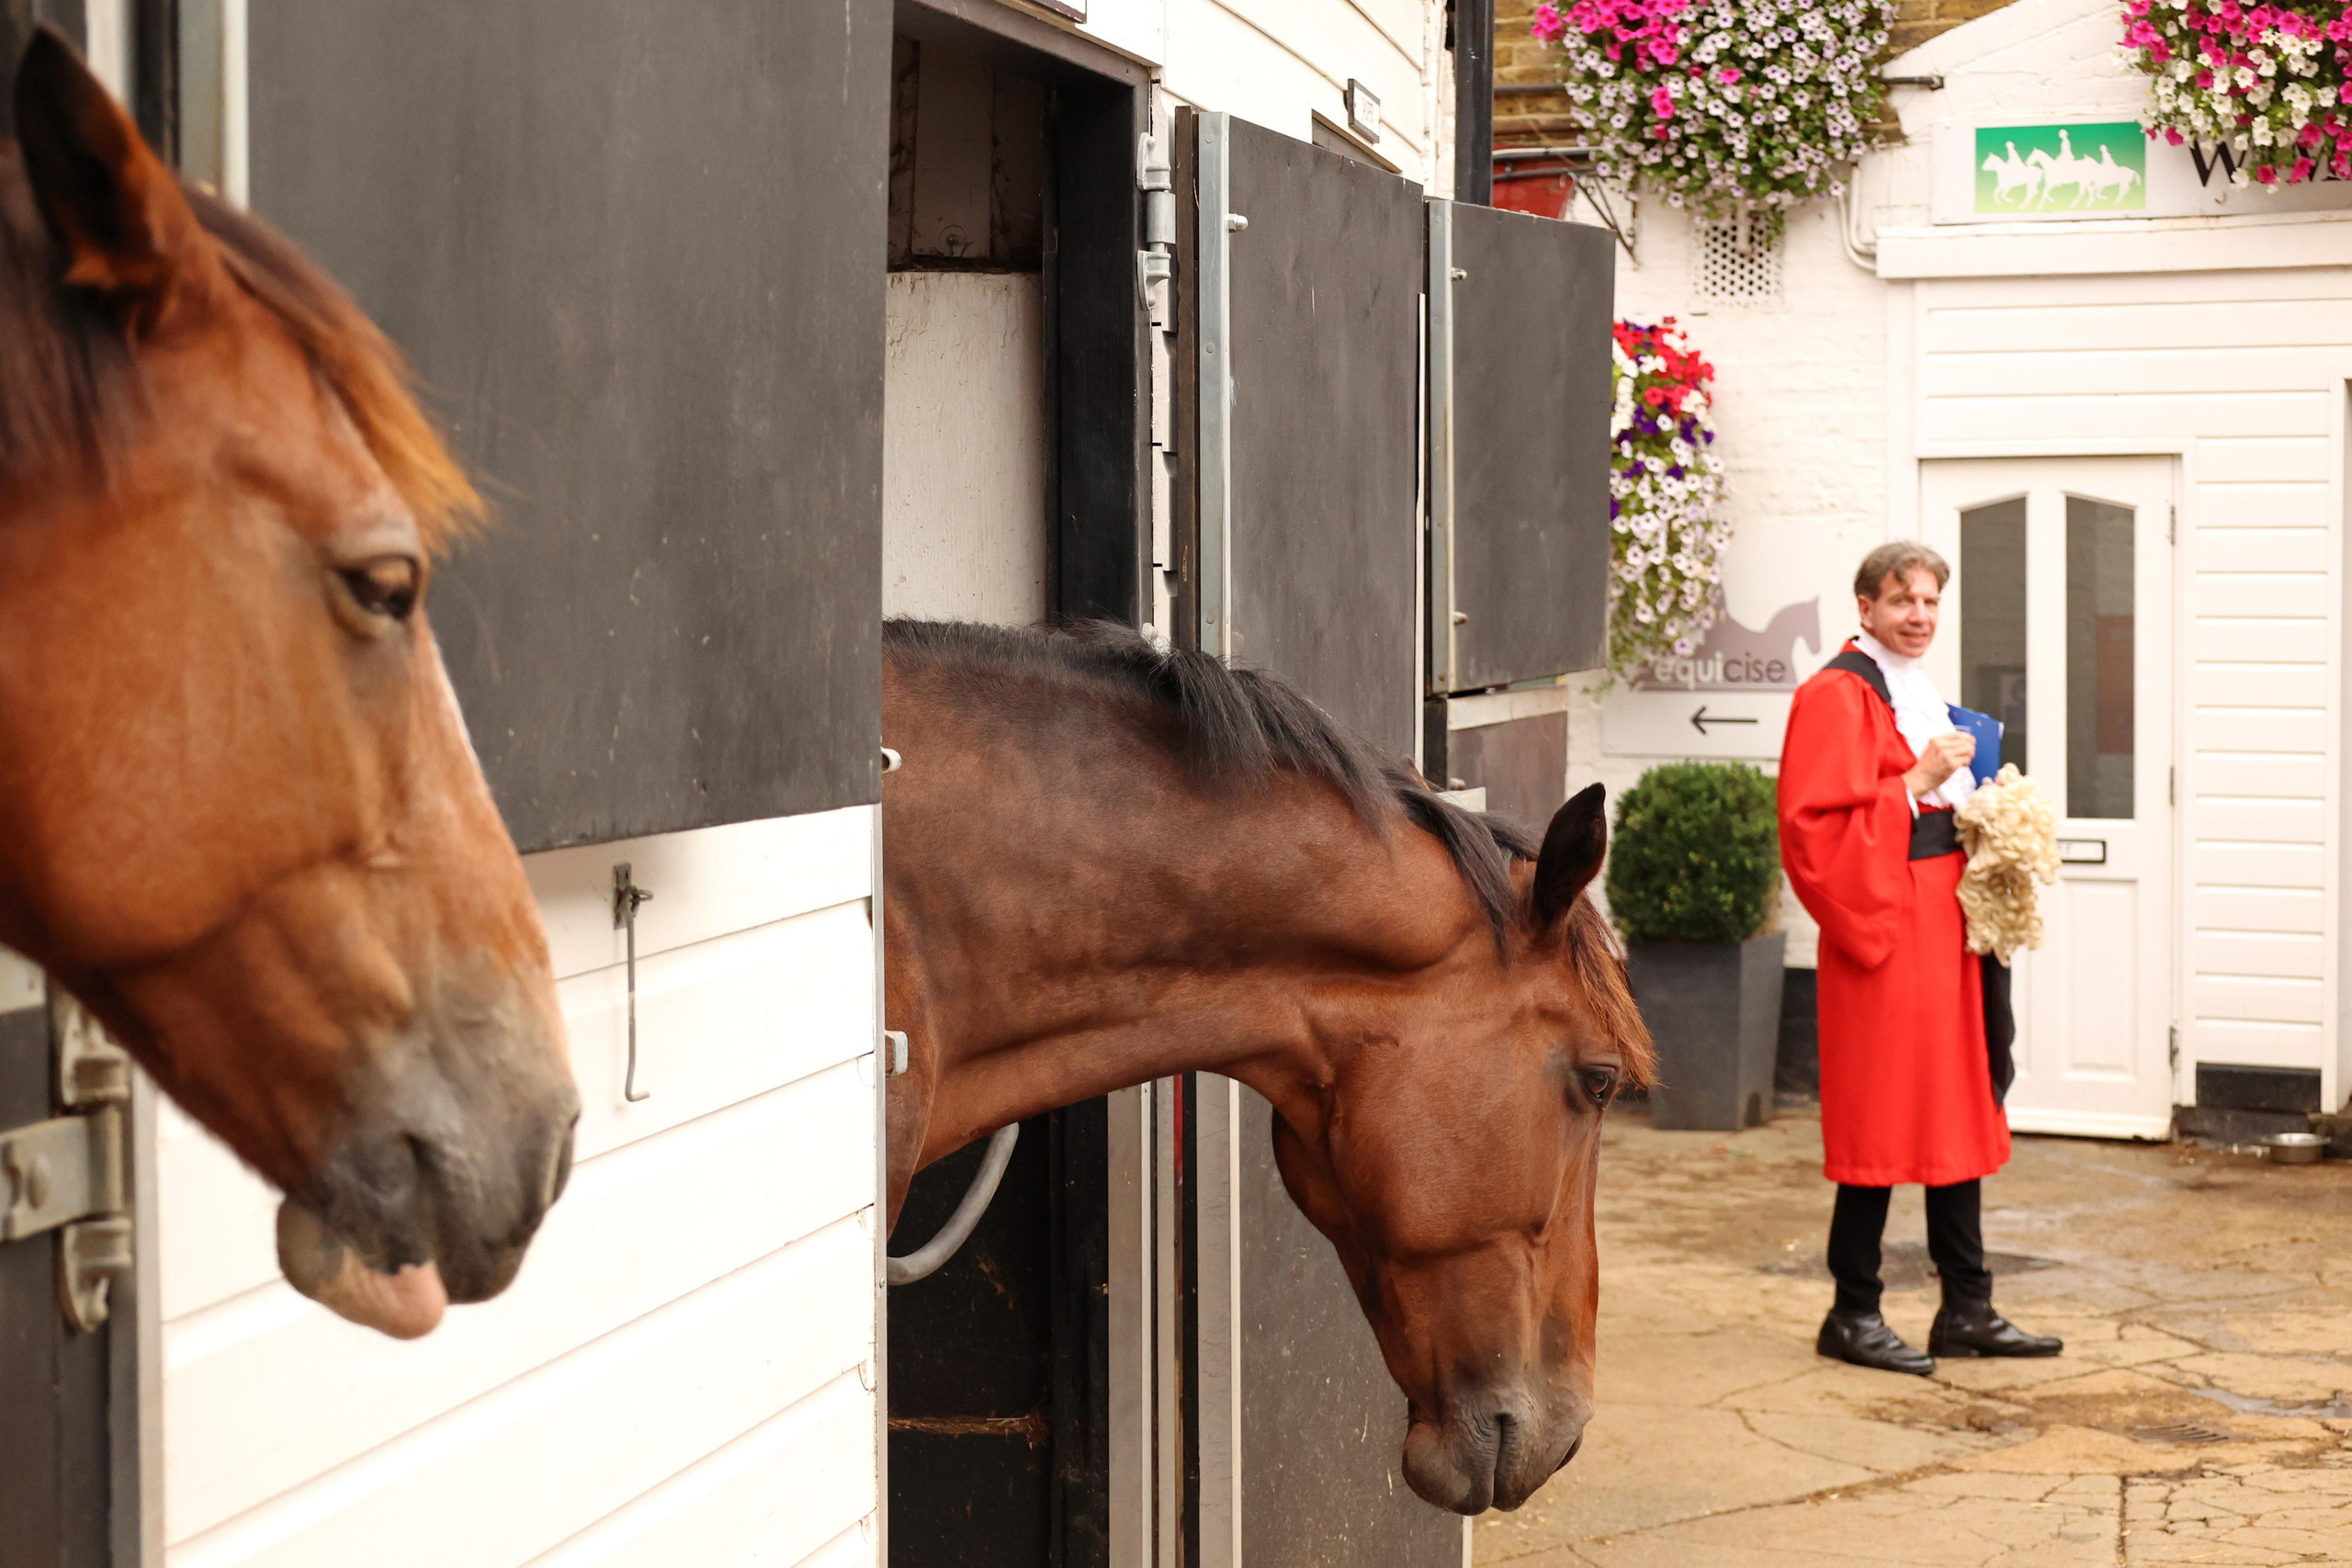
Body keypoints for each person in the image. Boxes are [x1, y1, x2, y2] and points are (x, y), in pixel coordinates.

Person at [1776, 543, 2062, 1376]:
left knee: (1958, 1105)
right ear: (1865, 606)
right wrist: (1913, 779)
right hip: (1889, 927)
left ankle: (1966, 1305)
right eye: (1903, 601)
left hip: (1947, 923)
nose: (1920, 616)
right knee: (1883, 1111)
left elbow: (1944, 800)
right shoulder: (1835, 694)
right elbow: (1810, 831)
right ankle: (1852, 1310)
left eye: (1932, 602)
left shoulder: (1921, 691)